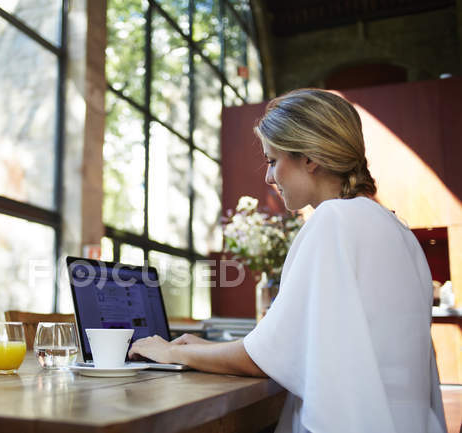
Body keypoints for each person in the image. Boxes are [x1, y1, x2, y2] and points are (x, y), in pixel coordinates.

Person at [128, 89, 446, 433]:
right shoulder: (396, 228)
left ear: (309, 157)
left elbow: (267, 358)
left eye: (272, 160)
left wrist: (175, 353)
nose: (268, 177)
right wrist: (205, 348)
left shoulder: (333, 220)